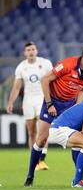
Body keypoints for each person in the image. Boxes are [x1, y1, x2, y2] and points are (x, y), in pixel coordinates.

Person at [23, 44, 83, 187]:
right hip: (52, 103)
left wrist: (76, 107)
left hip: (69, 105)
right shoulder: (67, 64)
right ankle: (30, 176)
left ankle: (79, 179)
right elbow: (45, 80)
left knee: (79, 138)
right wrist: (49, 104)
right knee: (41, 139)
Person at [6, 42, 53, 170]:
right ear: (25, 53)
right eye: (28, 50)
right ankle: (34, 160)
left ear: (36, 51)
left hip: (42, 99)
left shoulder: (45, 63)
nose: (31, 51)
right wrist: (10, 102)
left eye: (33, 49)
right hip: (28, 100)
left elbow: (52, 81)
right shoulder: (21, 67)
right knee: (32, 132)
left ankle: (42, 159)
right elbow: (16, 87)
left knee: (42, 129)